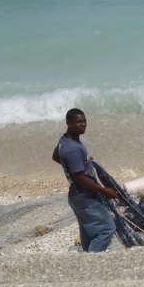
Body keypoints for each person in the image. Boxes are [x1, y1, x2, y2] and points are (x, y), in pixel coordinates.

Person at [52, 108, 118, 252]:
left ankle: (86, 260)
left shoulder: (65, 140)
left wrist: (79, 163)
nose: (83, 124)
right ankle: (91, 263)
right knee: (106, 229)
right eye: (78, 122)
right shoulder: (72, 148)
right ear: (69, 123)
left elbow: (56, 156)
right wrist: (104, 190)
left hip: (76, 196)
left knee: (89, 231)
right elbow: (79, 178)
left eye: (84, 121)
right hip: (85, 197)